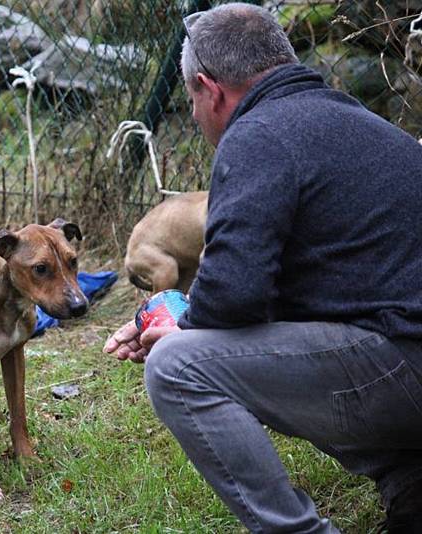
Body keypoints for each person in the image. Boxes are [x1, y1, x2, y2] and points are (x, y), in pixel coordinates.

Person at [103, 3, 422, 532]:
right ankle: (412, 488)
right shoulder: (358, 122)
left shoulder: (256, 135)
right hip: (402, 354)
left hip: (405, 366)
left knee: (179, 368)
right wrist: (178, 317)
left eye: (189, 102)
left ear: (210, 89)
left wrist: (178, 328)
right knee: (272, 352)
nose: (195, 115)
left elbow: (233, 296)